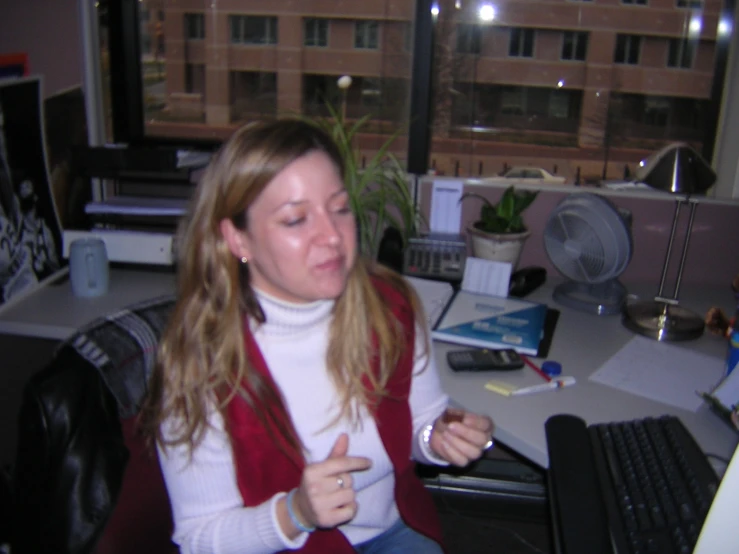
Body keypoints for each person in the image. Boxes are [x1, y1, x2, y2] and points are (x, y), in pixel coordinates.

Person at [141, 119, 494, 553]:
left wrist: (441, 438)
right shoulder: (201, 363)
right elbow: (199, 539)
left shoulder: (391, 308)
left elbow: (423, 421)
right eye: (295, 219)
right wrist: (294, 514)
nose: (332, 236)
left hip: (390, 532)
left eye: (340, 208)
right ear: (237, 239)